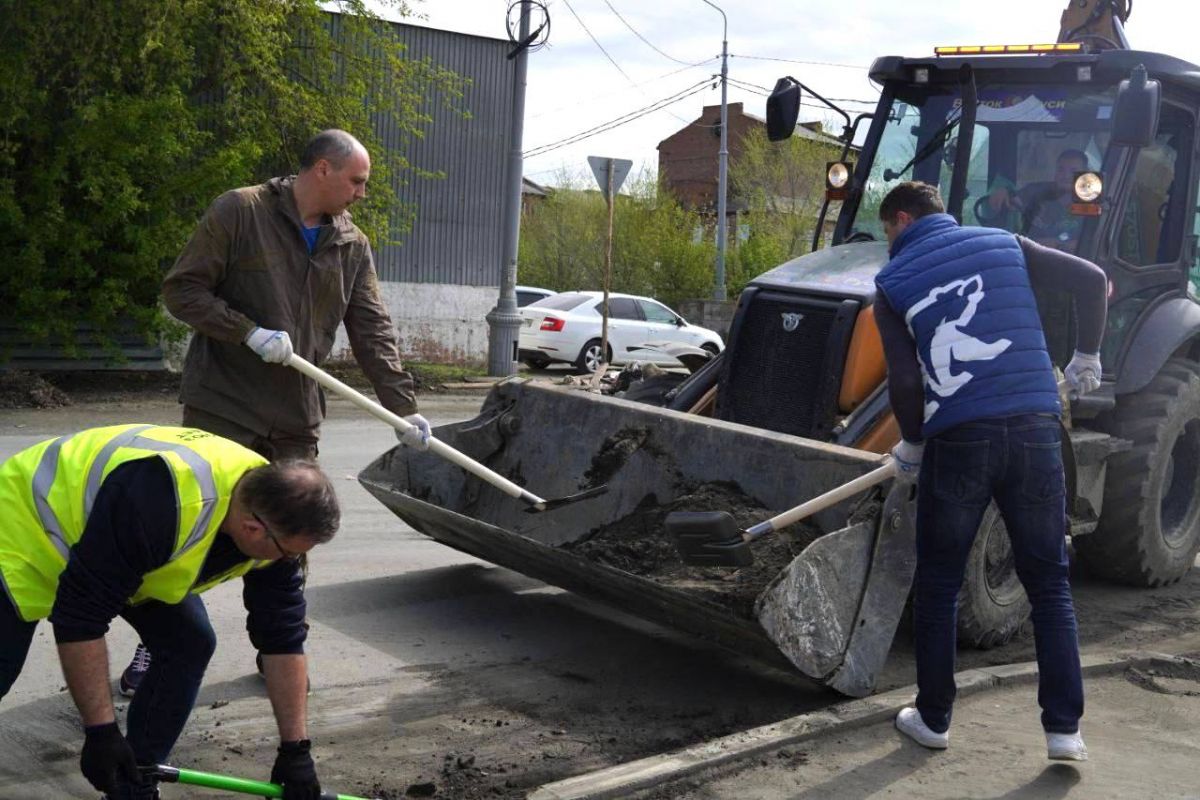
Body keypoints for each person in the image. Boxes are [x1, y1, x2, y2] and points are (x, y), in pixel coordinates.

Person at [115, 130, 431, 694]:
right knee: (196, 531)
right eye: (357, 180)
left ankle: (280, 651)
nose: (362, 193)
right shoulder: (242, 211)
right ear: (323, 170)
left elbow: (372, 330)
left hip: (293, 419)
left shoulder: (351, 245)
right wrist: (247, 333)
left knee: (287, 541)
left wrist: (403, 411)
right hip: (224, 407)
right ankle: (158, 643)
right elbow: (182, 291)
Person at [872, 182, 1107, 761]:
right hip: (1035, 431)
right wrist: (1087, 354)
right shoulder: (1004, 241)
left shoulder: (891, 285)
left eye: (886, 234)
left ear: (901, 219)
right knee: (1049, 584)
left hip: (961, 436)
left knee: (939, 582)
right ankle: (1064, 732)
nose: (888, 246)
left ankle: (932, 719)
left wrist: (911, 444)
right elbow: (1093, 280)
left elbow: (905, 382)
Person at [0, 424, 341, 799]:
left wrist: (296, 750)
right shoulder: (164, 501)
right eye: (288, 552)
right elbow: (79, 619)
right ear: (252, 528)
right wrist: (101, 732)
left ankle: (134, 779)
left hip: (116, 545)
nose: (290, 561)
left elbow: (283, 639)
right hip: (23, 527)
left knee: (188, 643)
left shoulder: (271, 506)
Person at [980, 149, 1091, 249]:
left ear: (1084, 174)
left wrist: (1059, 245)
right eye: (1061, 169)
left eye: (1073, 171)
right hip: (1030, 258)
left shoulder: (1092, 203)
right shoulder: (1036, 191)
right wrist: (1003, 192)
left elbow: (1095, 241)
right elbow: (1012, 200)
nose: (1065, 175)